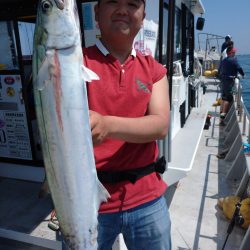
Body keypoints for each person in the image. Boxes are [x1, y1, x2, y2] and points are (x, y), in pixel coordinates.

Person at [83, 0, 171, 249]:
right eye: (113, 2)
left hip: (146, 197)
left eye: (132, 4)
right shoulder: (74, 63)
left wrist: (106, 125)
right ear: (97, 12)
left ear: (143, 17)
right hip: (87, 200)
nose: (123, 10)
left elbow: (160, 125)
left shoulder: (154, 69)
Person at [218, 47, 244, 125]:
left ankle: (221, 117)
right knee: (227, 101)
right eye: (234, 52)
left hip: (223, 82)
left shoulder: (223, 61)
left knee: (223, 99)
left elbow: (219, 71)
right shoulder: (233, 60)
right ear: (231, 53)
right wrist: (243, 75)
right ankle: (222, 120)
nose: (235, 53)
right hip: (229, 83)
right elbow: (239, 68)